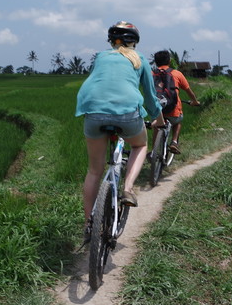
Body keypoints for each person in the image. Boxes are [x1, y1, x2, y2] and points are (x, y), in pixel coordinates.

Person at [76, 21, 164, 240]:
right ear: (134, 41)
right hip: (127, 113)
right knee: (140, 144)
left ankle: (88, 225)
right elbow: (151, 99)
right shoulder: (140, 59)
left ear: (111, 41)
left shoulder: (99, 57)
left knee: (94, 171)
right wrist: (158, 120)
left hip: (92, 111)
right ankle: (128, 189)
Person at [152, 50, 200, 154]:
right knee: (178, 121)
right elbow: (189, 91)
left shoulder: (151, 74)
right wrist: (195, 101)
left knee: (157, 125)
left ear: (155, 62)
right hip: (173, 110)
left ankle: (153, 151)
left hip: (156, 110)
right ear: (169, 61)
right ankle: (174, 142)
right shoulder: (177, 74)